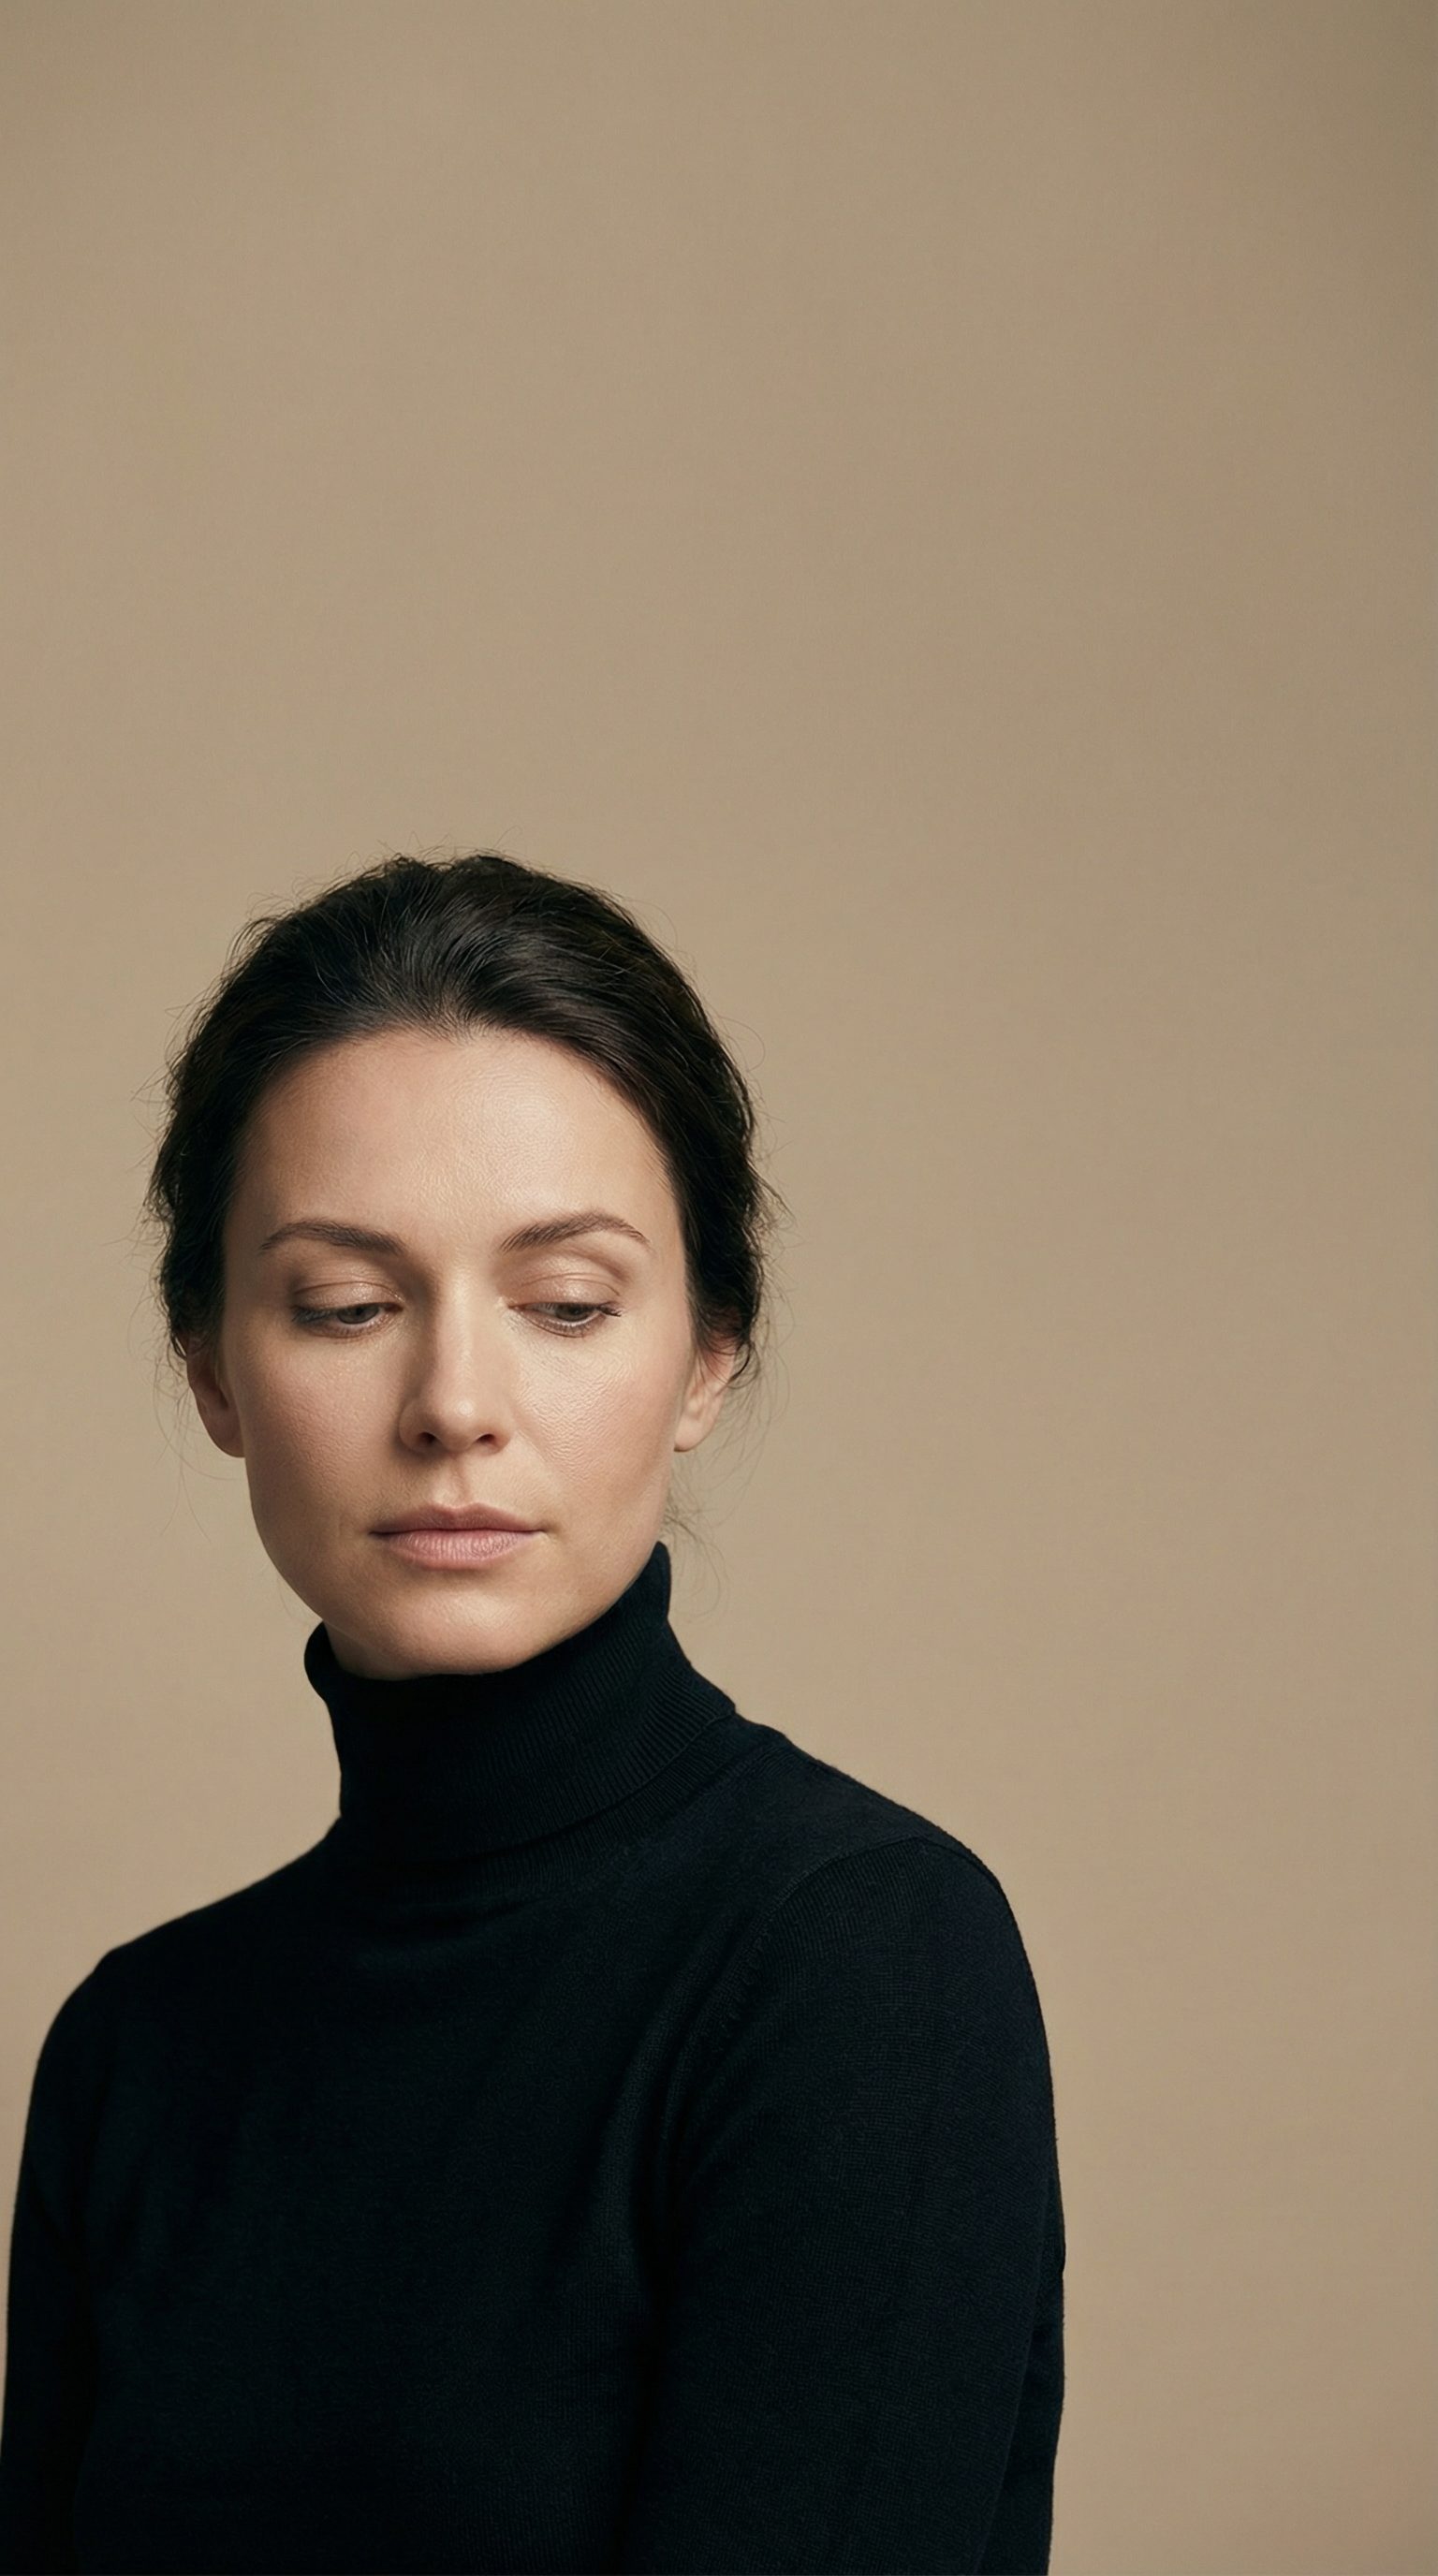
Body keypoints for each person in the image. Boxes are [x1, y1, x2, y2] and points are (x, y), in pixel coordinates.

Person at [0, 848, 1065, 2574]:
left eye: (566, 1304)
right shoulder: (135, 2049)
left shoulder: (864, 1960)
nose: (453, 1405)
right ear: (210, 1366)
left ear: (708, 1354)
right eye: (346, 1305)